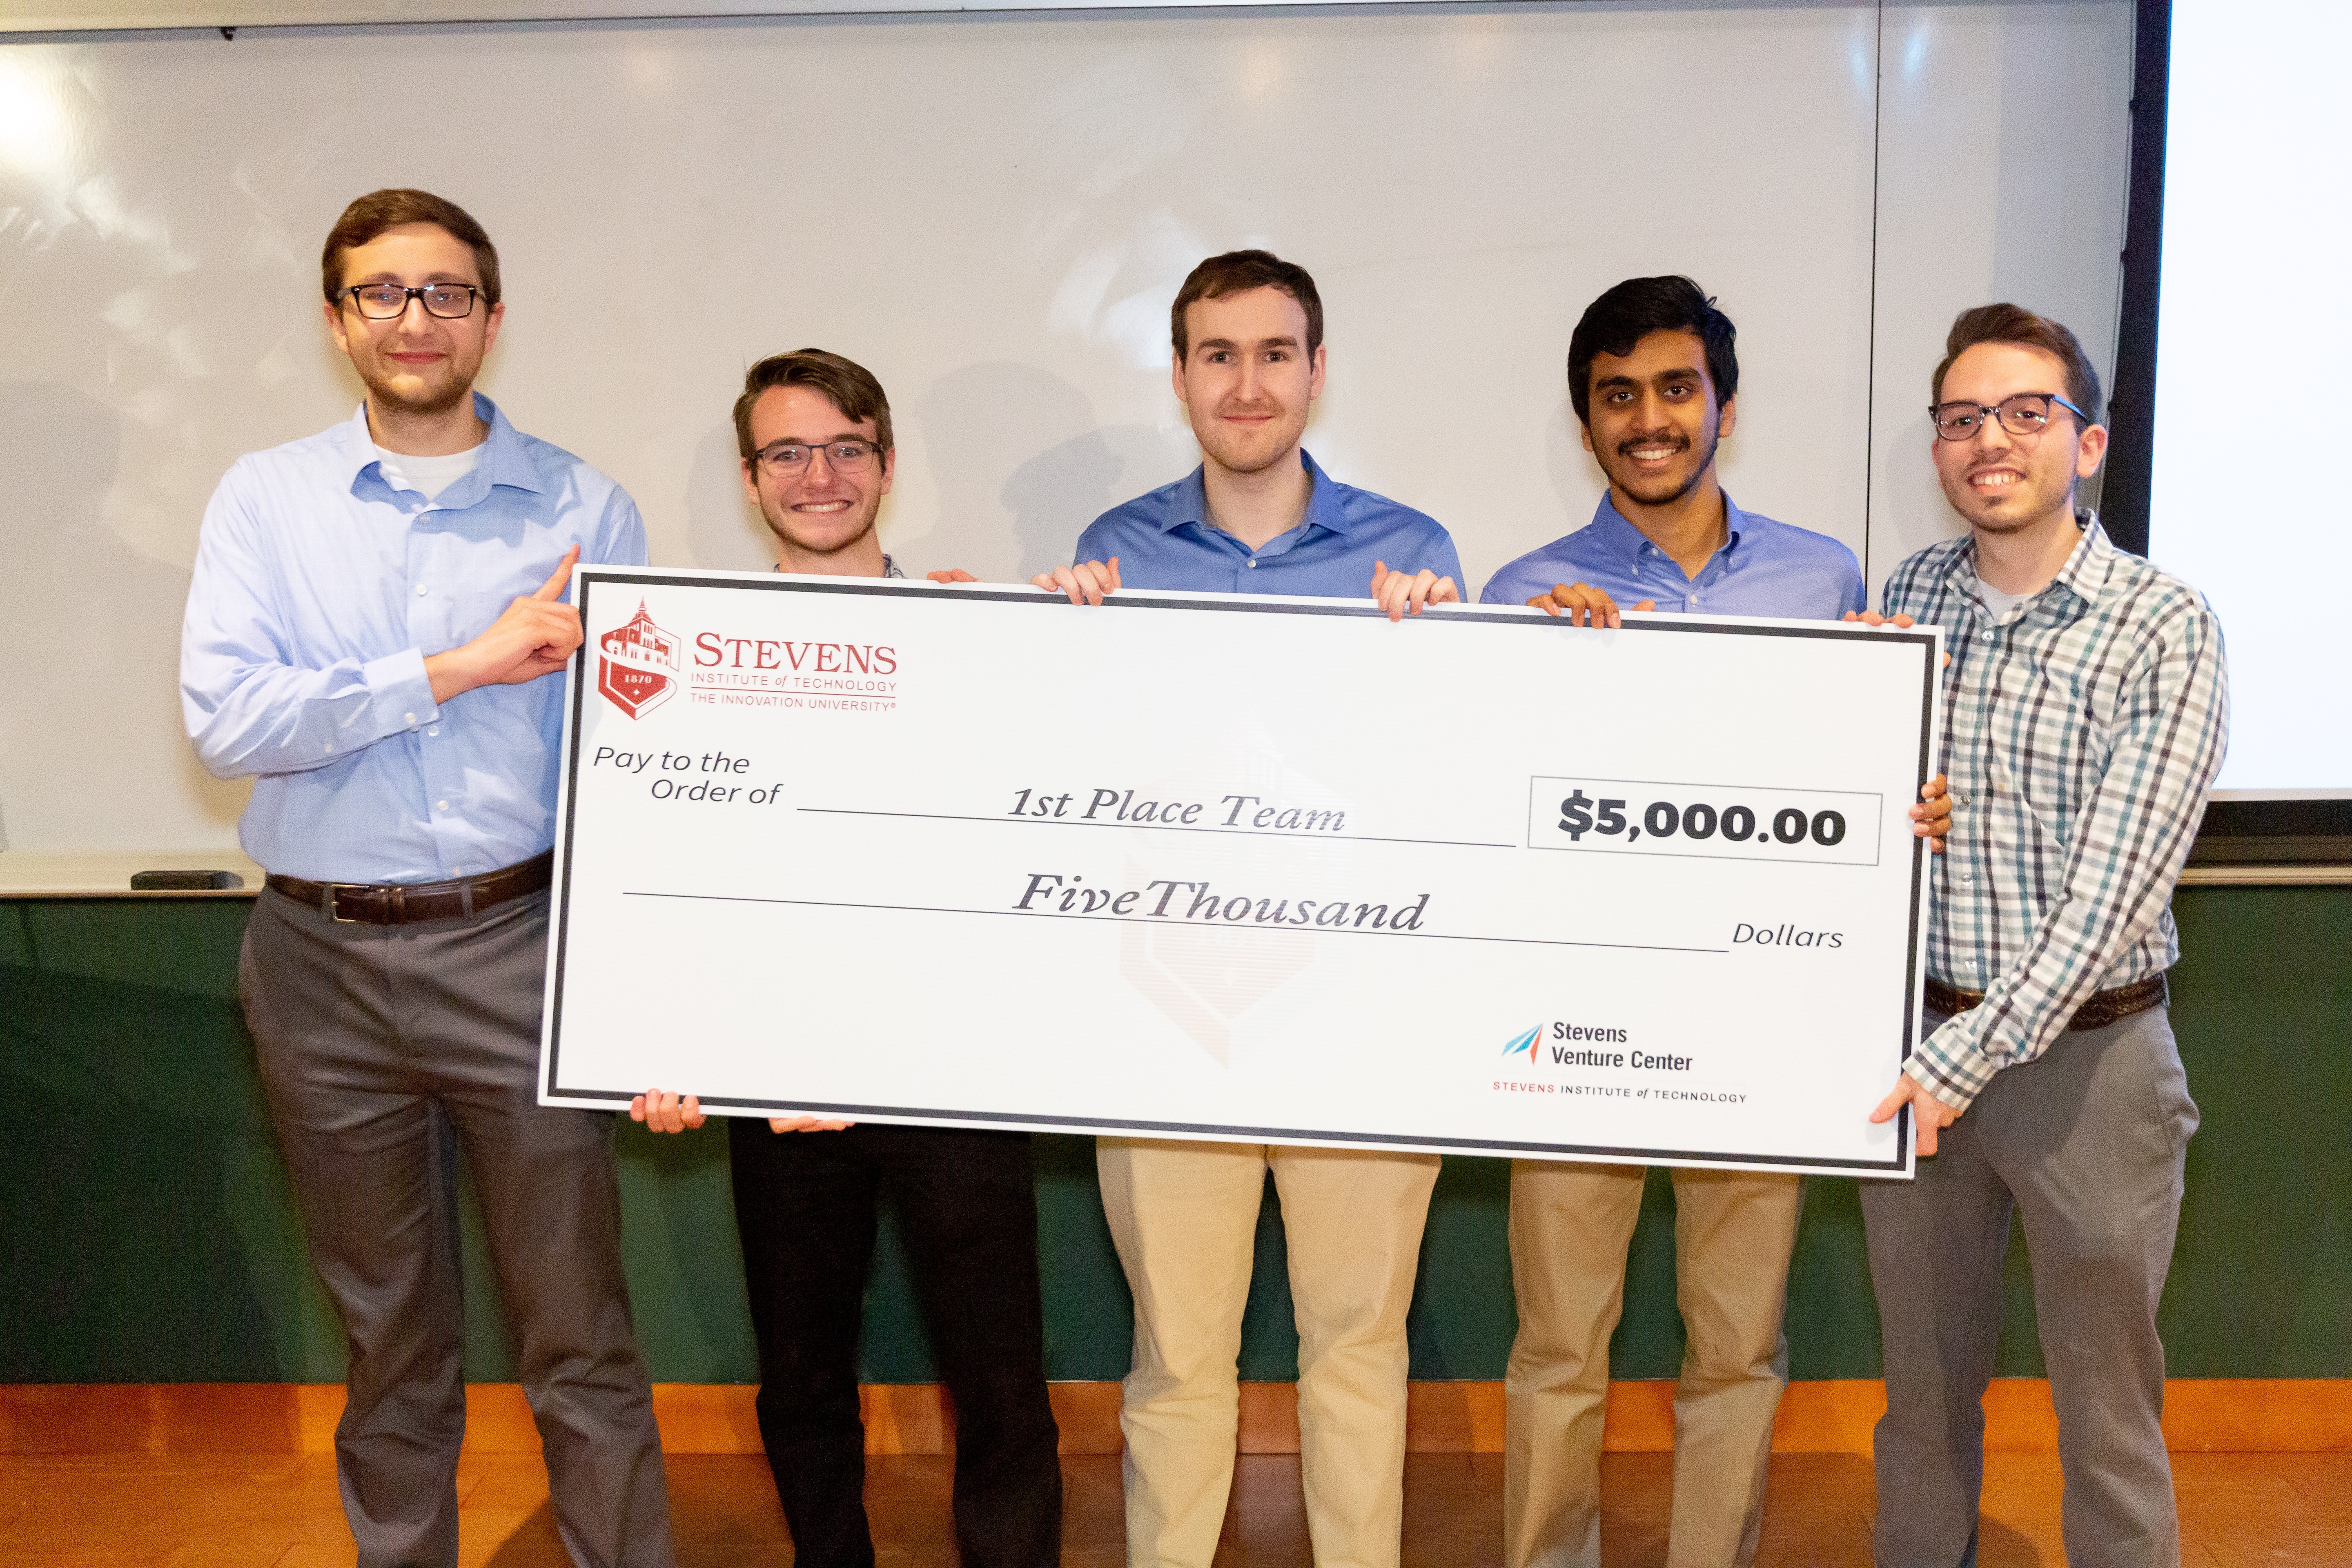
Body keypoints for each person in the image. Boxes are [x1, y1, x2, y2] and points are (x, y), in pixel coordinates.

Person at [180, 189, 674, 1568]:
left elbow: (644, 766)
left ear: (493, 319)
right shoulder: (264, 499)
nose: (416, 319)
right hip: (315, 968)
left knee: (580, 1333)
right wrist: (458, 667)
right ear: (339, 321)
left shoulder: (590, 505)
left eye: (447, 293)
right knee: (389, 1335)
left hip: (520, 946)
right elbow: (229, 723)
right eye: (383, 293)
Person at [1481, 275, 1946, 1568]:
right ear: (1585, 424)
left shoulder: (1822, 575)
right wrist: (1525, 666)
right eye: (1617, 396)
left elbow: (1854, 784)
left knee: (1737, 1345)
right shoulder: (1523, 590)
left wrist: (1906, 802)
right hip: (1572, 1023)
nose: (1649, 420)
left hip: (1764, 1021)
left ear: (1722, 409)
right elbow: (1484, 804)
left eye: (1675, 390)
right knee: (1560, 1344)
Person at [1032, 249, 1461, 1568]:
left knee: (1356, 1352)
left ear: (1318, 373)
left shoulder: (1417, 555)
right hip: (1170, 1022)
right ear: (1179, 378)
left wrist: (1448, 658)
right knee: (1177, 1358)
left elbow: (1463, 787)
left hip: (1359, 1023)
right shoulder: (1113, 554)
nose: (1248, 381)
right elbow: (1071, 782)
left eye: (1276, 353)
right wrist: (1053, 649)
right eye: (1218, 355)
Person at [630, 351, 1060, 1568]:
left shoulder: (976, 633)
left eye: (846, 448)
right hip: (778, 1089)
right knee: (802, 1372)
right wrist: (665, 1045)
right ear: (751, 480)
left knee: (999, 1375)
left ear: (886, 463)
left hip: (953, 1077)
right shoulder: (692, 662)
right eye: (787, 454)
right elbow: (669, 873)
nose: (819, 476)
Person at [1857, 304, 2227, 1567]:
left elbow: (2111, 895)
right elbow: (1871, 809)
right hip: (1918, 1043)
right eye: (1962, 419)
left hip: (2089, 1071)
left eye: (2026, 413)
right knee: (1919, 1409)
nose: (1990, 441)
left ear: (2089, 443)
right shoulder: (1907, 598)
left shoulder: (2163, 625)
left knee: (2108, 1421)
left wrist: (1954, 1064)